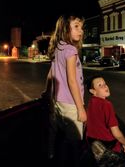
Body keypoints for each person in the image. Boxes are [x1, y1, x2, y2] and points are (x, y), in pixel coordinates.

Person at [46, 15, 87, 166]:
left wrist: (46, 93)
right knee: (75, 143)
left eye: (81, 27)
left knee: (62, 139)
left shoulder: (58, 48)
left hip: (58, 103)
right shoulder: (70, 50)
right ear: (65, 28)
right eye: (76, 26)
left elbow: (50, 74)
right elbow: (72, 80)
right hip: (71, 104)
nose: (81, 31)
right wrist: (81, 109)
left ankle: (55, 158)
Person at [86, 75, 125, 155]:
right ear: (93, 91)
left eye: (104, 83)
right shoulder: (106, 104)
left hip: (93, 145)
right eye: (100, 85)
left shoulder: (91, 102)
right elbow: (115, 132)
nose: (104, 86)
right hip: (108, 146)